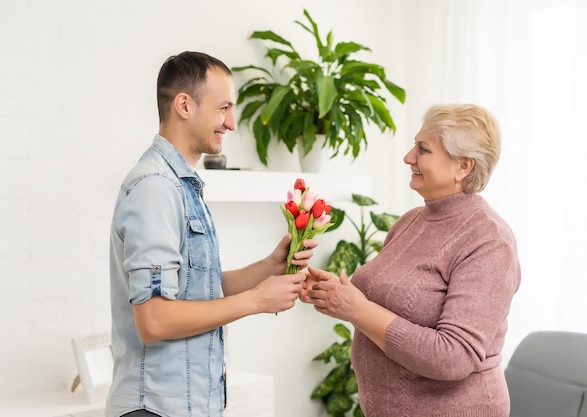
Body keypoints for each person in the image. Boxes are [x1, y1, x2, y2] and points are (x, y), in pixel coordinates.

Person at [106, 51, 317, 417]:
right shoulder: (156, 188)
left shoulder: (181, 186)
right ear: (184, 105)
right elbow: (154, 320)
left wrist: (270, 267)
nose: (231, 123)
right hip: (156, 408)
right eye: (224, 108)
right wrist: (257, 302)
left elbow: (199, 290)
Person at [304, 104, 521, 417]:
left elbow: (454, 356)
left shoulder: (489, 241)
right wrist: (334, 294)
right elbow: (387, 303)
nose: (408, 157)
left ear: (464, 167)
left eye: (424, 149)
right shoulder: (411, 221)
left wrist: (358, 309)